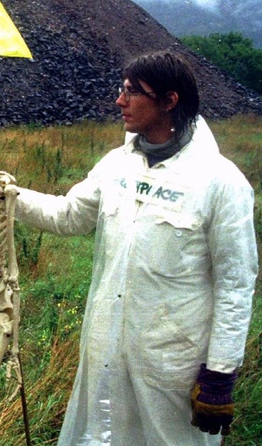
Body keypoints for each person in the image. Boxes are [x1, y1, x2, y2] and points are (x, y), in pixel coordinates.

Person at [13, 51, 258, 445]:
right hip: (107, 347)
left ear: (169, 101)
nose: (119, 101)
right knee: (102, 435)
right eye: (121, 89)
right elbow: (70, 214)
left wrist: (221, 370)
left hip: (172, 361)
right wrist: (4, 192)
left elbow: (236, 282)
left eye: (132, 92)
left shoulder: (220, 182)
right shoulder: (117, 165)